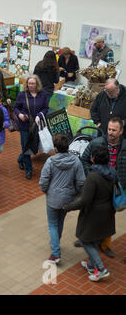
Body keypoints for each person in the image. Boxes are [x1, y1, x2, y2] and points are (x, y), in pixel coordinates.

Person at [62, 146, 116, 282]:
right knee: (96, 239)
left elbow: (84, 200)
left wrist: (68, 207)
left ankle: (101, 268)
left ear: (94, 159)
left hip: (93, 215)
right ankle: (91, 265)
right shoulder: (111, 172)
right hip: (108, 212)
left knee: (85, 240)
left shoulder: (93, 177)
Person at [78, 117, 125, 257]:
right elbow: (84, 160)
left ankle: (105, 245)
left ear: (121, 131)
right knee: (89, 212)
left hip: (114, 187)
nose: (110, 132)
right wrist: (90, 174)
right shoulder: (96, 143)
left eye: (114, 130)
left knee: (109, 216)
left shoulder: (125, 146)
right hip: (96, 185)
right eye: (109, 129)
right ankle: (85, 239)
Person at [39, 134, 85, 264]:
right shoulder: (76, 161)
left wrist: (46, 191)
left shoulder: (50, 162)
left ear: (55, 148)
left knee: (53, 224)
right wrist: (75, 194)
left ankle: (55, 253)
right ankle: (55, 243)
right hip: (68, 200)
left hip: (53, 199)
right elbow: (81, 182)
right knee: (60, 222)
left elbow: (43, 181)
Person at [14, 75, 49, 179]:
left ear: (37, 84)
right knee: (25, 146)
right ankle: (28, 170)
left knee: (33, 145)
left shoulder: (43, 94)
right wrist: (19, 114)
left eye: (33, 83)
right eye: (29, 83)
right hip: (25, 125)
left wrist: (39, 115)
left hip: (37, 125)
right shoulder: (22, 95)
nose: (31, 86)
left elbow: (46, 108)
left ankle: (20, 159)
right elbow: (16, 107)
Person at [0, 91, 10, 161]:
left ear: (0, 99)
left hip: (0, 134)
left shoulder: (3, 109)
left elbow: (7, 120)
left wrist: (5, 124)